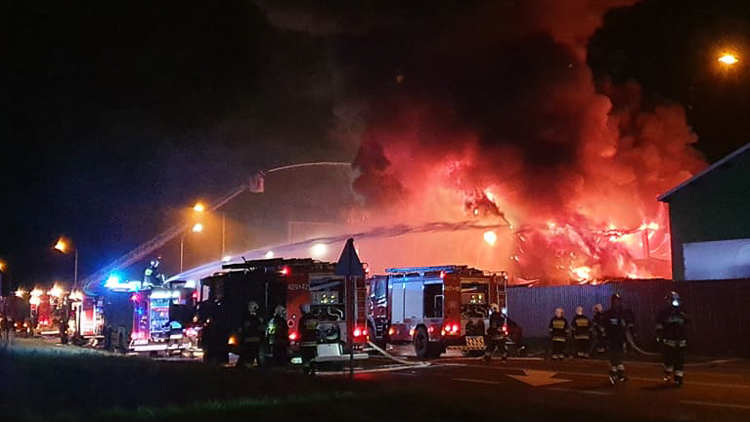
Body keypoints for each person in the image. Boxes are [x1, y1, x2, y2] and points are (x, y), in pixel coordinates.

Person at [656, 291, 689, 387]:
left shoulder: (682, 311)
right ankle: (668, 373)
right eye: (670, 300)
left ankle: (678, 379)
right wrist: (659, 336)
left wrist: (682, 316)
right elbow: (659, 325)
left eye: (674, 300)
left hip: (681, 340)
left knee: (679, 360)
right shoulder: (664, 313)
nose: (672, 302)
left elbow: (688, 320)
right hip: (669, 341)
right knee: (669, 360)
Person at [602, 293, 633, 384]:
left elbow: (628, 324)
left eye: (618, 301)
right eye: (615, 301)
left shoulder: (623, 313)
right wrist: (606, 337)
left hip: (621, 338)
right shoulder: (608, 314)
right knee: (614, 357)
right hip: (612, 339)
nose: (617, 303)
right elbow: (605, 326)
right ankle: (614, 375)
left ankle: (619, 375)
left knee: (619, 356)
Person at [236, 301, 263, 368]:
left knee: (250, 353)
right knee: (249, 353)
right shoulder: (251, 318)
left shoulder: (253, 318)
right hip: (251, 340)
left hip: (251, 340)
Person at [298, 304, 319, 373]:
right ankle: (313, 369)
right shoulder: (314, 319)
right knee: (312, 357)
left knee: (305, 358)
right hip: (313, 342)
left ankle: (306, 370)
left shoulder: (302, 319)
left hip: (305, 342)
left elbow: (300, 330)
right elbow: (318, 328)